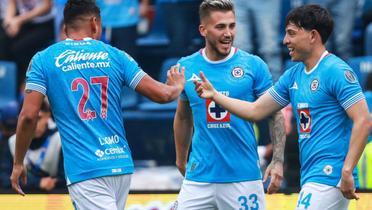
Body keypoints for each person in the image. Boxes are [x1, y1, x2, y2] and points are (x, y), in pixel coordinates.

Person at [10, 1, 185, 210]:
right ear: (94, 23)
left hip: (85, 170)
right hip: (120, 164)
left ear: (65, 27)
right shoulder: (117, 55)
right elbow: (163, 95)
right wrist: (176, 86)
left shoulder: (43, 59)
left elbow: (29, 116)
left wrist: (19, 162)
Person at [194, 4, 370, 210]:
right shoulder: (293, 75)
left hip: (330, 173)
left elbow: (364, 120)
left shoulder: (336, 70)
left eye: (292, 34)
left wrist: (347, 170)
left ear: (312, 36)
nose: (285, 40)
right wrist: (215, 96)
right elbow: (256, 110)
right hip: (313, 174)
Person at [173, 0, 286, 209]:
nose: (228, 33)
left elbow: (276, 114)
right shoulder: (186, 67)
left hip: (243, 177)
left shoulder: (253, 65)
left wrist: (278, 160)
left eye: (232, 26)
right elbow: (183, 116)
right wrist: (181, 160)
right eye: (220, 27)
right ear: (203, 30)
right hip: (199, 178)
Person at [8, 101, 65, 192]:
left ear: (48, 116)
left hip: (54, 197)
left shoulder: (60, 140)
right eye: (28, 120)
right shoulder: (12, 142)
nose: (33, 125)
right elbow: (4, 179)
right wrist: (38, 183)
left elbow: (66, 179)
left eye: (38, 118)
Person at [0, 0, 55, 88]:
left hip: (44, 23)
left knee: (19, 48)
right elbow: (12, 4)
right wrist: (9, 22)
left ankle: (26, 82)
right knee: (3, 41)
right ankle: (8, 84)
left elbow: (47, 7)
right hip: (24, 22)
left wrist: (19, 20)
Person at [232, 0, 282, 81]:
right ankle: (241, 87)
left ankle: (277, 89)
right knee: (240, 49)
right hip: (237, 2)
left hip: (266, 3)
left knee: (269, 50)